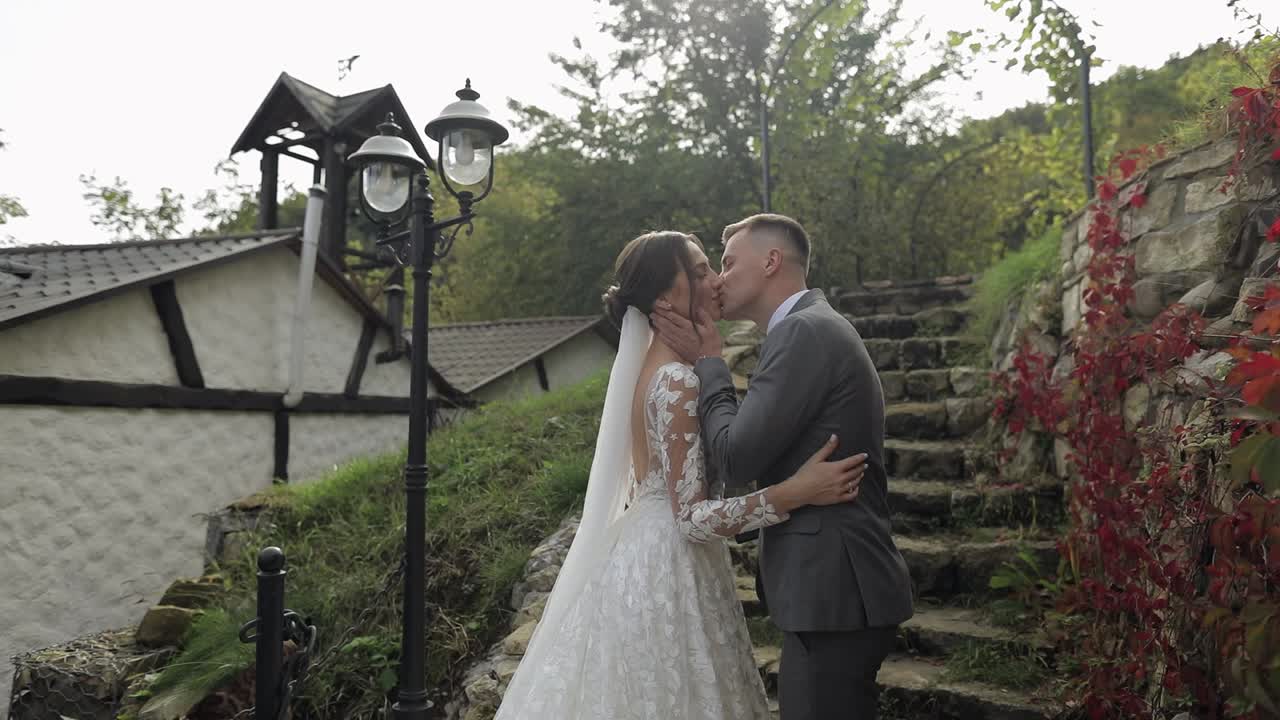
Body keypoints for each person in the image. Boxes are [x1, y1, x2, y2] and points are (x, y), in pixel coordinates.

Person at [494, 230, 867, 720]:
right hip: (669, 566)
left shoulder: (661, 370)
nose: (714, 279)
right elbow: (690, 518)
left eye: (712, 265)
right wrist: (792, 494)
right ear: (666, 298)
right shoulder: (676, 381)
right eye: (698, 271)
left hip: (647, 550)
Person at [652, 213, 914, 720]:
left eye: (728, 262)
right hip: (832, 592)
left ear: (772, 261)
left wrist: (711, 361)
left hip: (834, 593)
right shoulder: (808, 329)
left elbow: (735, 455)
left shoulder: (802, 334)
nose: (720, 279)